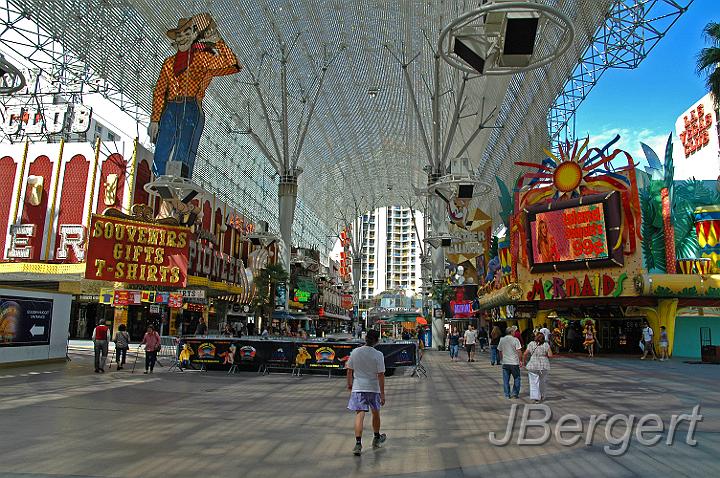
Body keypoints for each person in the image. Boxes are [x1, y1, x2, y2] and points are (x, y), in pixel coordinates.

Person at [149, 13, 241, 178]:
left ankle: (178, 179)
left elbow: (232, 65)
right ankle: (159, 177)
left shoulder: (202, 59)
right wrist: (155, 119)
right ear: (176, 39)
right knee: (163, 143)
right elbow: (160, 91)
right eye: (179, 35)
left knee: (184, 145)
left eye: (186, 34)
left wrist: (218, 40)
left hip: (190, 106)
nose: (182, 38)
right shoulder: (169, 63)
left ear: (193, 36)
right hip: (170, 108)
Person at [346, 329, 386, 456]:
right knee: (375, 413)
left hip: (358, 387)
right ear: (377, 341)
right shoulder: (378, 354)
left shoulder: (355, 352)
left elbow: (349, 370)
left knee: (359, 415)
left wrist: (350, 384)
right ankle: (376, 438)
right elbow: (380, 375)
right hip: (373, 388)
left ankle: (358, 444)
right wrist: (382, 393)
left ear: (366, 338)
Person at [524, 332, 553, 403]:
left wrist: (524, 361)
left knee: (534, 381)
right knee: (543, 381)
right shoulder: (546, 344)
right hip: (544, 365)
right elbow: (550, 355)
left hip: (533, 364)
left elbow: (525, 353)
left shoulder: (531, 344)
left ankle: (536, 397)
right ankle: (542, 395)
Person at [498, 328, 523, 399]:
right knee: (517, 378)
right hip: (514, 363)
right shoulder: (515, 340)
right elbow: (519, 351)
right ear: (511, 332)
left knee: (506, 380)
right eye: (514, 331)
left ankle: (507, 394)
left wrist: (501, 359)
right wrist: (520, 360)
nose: (515, 333)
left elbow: (500, 351)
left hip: (505, 362)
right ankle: (515, 393)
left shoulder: (502, 339)